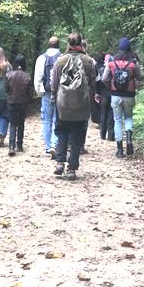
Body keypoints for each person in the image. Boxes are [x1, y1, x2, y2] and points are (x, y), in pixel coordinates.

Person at [51, 31, 97, 180]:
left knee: (62, 132)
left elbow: (55, 83)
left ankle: (59, 162)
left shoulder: (60, 61)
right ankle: (71, 168)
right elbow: (93, 83)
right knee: (77, 135)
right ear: (80, 43)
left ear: (69, 44)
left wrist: (54, 99)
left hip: (63, 104)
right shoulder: (89, 61)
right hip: (82, 104)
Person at [102, 37, 143, 158]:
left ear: (119, 48)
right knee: (129, 117)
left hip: (115, 94)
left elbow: (104, 78)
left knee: (117, 120)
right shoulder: (133, 63)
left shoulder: (111, 63)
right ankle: (129, 139)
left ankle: (120, 149)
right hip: (129, 94)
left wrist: (111, 85)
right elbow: (141, 77)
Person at [34, 35, 61, 156]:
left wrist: (40, 92)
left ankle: (48, 146)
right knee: (57, 118)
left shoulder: (41, 58)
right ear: (58, 45)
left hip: (46, 92)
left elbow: (37, 78)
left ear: (48, 44)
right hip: (60, 93)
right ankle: (55, 144)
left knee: (46, 120)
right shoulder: (62, 57)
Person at [6, 54, 35, 156]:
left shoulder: (8, 75)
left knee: (13, 124)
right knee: (21, 123)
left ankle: (11, 146)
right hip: (23, 103)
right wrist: (29, 100)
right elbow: (30, 92)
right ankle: (19, 145)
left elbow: (6, 90)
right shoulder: (27, 76)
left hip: (11, 102)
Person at [96, 52, 115, 141]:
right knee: (111, 115)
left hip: (103, 95)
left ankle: (102, 135)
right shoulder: (114, 69)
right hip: (113, 94)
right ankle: (111, 136)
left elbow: (98, 82)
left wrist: (97, 93)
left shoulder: (100, 69)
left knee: (103, 114)